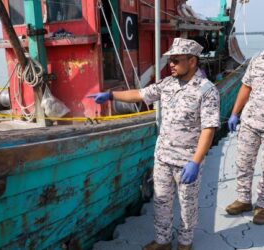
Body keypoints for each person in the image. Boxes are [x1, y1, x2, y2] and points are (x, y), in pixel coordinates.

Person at [88, 38, 220, 250]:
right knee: (161, 202)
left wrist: (195, 162)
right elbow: (139, 95)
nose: (171, 64)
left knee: (187, 206)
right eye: (170, 60)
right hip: (163, 158)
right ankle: (163, 241)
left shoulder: (207, 90)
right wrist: (111, 95)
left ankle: (185, 243)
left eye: (176, 60)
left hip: (187, 162)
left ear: (193, 61)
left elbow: (209, 129)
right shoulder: (167, 84)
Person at [225, 51, 264, 225]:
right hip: (250, 122)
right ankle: (243, 199)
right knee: (243, 162)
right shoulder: (257, 59)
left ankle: (262, 205)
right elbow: (246, 87)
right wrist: (235, 113)